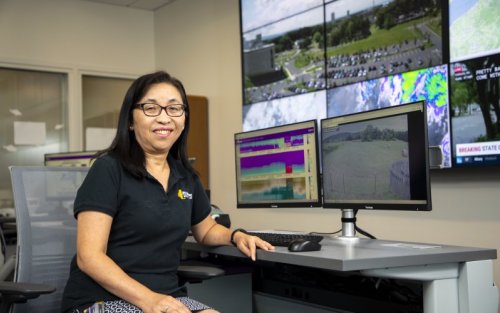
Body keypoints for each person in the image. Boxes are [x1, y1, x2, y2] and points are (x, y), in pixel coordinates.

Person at [61, 71, 274, 313]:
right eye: (151, 108)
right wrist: (148, 300)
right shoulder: (108, 169)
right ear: (130, 120)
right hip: (102, 299)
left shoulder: (186, 176)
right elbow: (89, 257)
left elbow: (206, 230)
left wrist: (236, 236)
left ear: (184, 120)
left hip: (168, 296)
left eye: (174, 109)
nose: (165, 118)